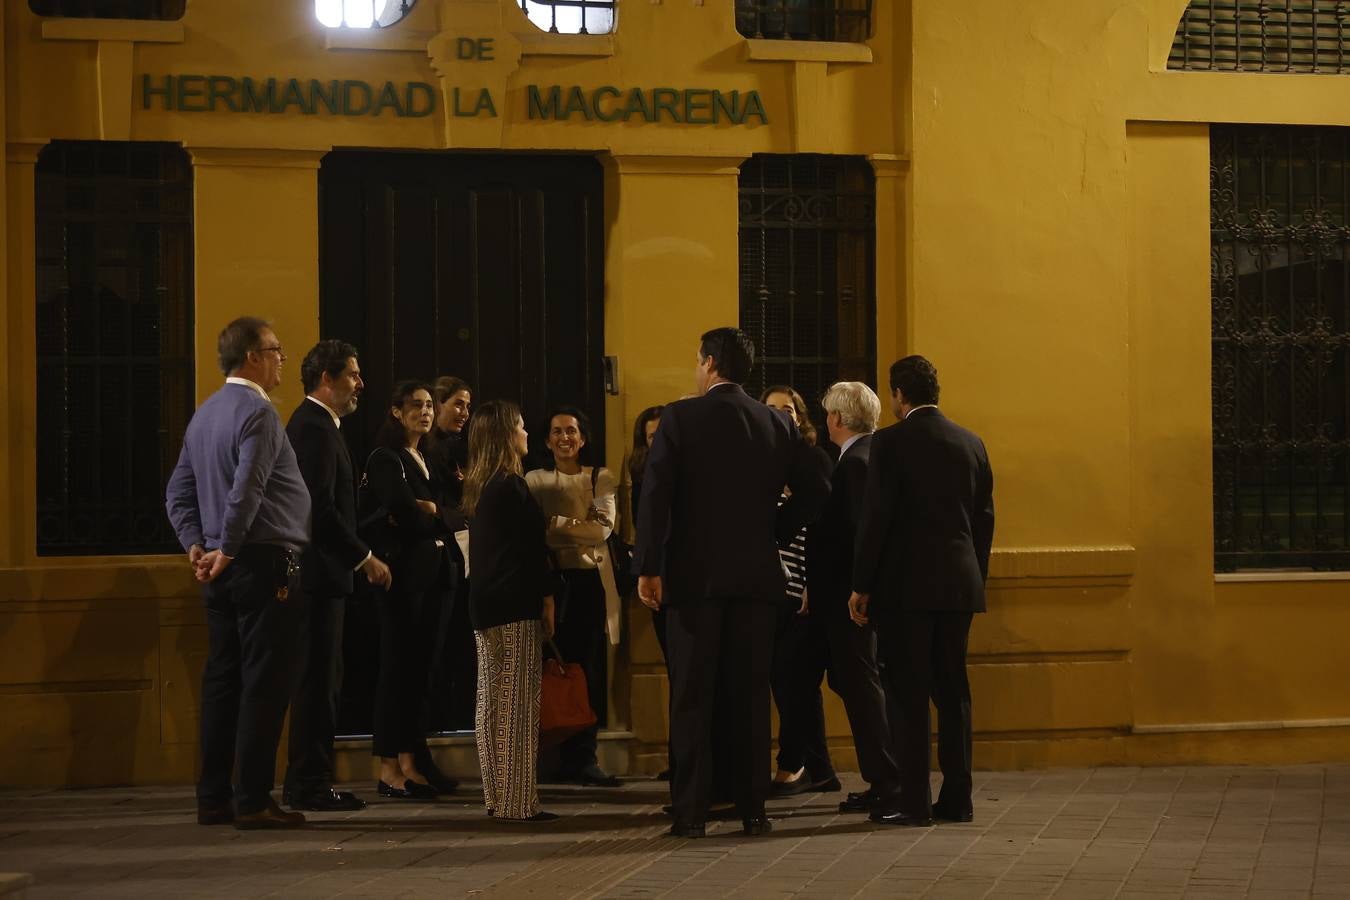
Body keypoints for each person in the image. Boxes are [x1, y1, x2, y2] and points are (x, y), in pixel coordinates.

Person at [634, 327, 830, 838]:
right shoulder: (773, 422)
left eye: (699, 361)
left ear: (710, 363)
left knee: (693, 696)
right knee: (748, 697)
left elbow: (655, 497)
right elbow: (817, 488)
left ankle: (692, 812)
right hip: (757, 580)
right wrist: (774, 532)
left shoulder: (679, 417)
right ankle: (753, 809)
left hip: (693, 579)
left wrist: (649, 566)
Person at [165, 316, 311, 830]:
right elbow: (247, 489)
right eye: (276, 350)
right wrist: (224, 548)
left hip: (222, 568)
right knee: (265, 682)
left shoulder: (204, 415)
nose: (281, 360)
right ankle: (252, 798)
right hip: (263, 561)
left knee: (223, 680)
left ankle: (213, 798)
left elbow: (177, 492)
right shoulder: (258, 412)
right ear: (252, 355)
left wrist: (195, 547)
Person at [850, 356, 995, 827]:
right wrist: (975, 574)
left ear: (898, 394)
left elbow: (876, 519)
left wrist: (862, 585)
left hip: (905, 589)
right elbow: (984, 520)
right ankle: (958, 799)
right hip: (959, 585)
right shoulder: (971, 443)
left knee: (908, 695)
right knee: (954, 692)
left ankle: (914, 803)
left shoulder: (888, 444)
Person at [282, 341, 392, 812]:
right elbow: (318, 509)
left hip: (324, 577)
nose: (360, 384)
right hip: (319, 578)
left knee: (324, 681)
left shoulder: (321, 427)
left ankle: (310, 780)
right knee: (317, 684)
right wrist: (363, 556)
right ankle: (308, 783)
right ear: (325, 379)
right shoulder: (313, 428)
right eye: (352, 374)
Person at [806, 382, 902, 815]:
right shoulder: (867, 458)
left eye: (827, 413)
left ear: (837, 419)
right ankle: (884, 776)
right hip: (845, 598)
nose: (826, 420)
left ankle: (886, 779)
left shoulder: (857, 464)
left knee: (862, 685)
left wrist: (859, 590)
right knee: (853, 682)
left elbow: (863, 536)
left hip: (850, 601)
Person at [462, 399, 559, 823]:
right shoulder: (512, 486)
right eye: (519, 427)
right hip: (514, 603)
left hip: (484, 603)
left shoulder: (483, 486)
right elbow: (531, 554)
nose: (525, 433)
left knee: (491, 700)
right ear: (505, 435)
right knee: (518, 703)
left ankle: (497, 796)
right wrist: (548, 598)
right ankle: (519, 802)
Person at [361, 381, 452, 800]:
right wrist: (425, 512)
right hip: (399, 577)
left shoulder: (428, 456)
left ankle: (412, 761)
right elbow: (402, 511)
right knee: (396, 670)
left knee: (420, 671)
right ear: (396, 412)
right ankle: (387, 767)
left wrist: (431, 510)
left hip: (430, 574)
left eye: (430, 405)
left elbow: (452, 507)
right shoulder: (386, 457)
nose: (425, 412)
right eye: (415, 405)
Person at [526, 406, 623, 787]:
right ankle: (550, 758)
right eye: (556, 431)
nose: (564, 437)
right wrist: (574, 526)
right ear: (547, 440)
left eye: (571, 431)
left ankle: (585, 758)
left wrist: (553, 525)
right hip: (551, 582)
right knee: (548, 669)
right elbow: (533, 533)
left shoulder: (601, 477)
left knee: (588, 670)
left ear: (583, 438)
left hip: (588, 585)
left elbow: (602, 531)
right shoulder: (534, 479)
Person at [760, 385, 839, 798]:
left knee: (794, 680)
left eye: (787, 409)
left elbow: (824, 528)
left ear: (800, 416)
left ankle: (795, 764)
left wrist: (812, 583)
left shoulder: (812, 460)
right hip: (771, 587)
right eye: (770, 409)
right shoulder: (759, 462)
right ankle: (819, 766)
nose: (779, 415)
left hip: (803, 587)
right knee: (789, 680)